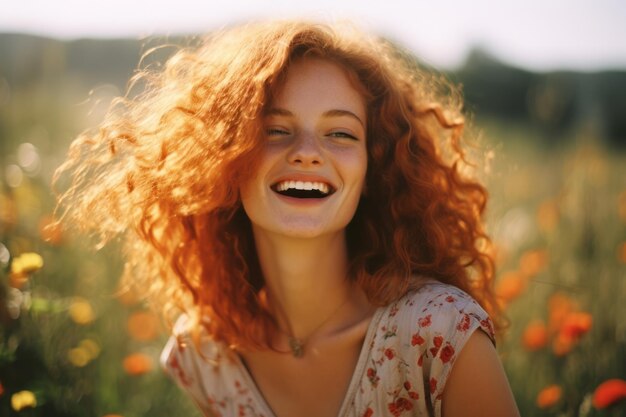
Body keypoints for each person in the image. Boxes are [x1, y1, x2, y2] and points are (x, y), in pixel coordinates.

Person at [55, 20, 520, 417]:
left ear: (372, 167)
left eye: (340, 133)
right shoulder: (205, 354)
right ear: (225, 161)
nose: (307, 154)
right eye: (276, 131)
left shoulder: (441, 336)